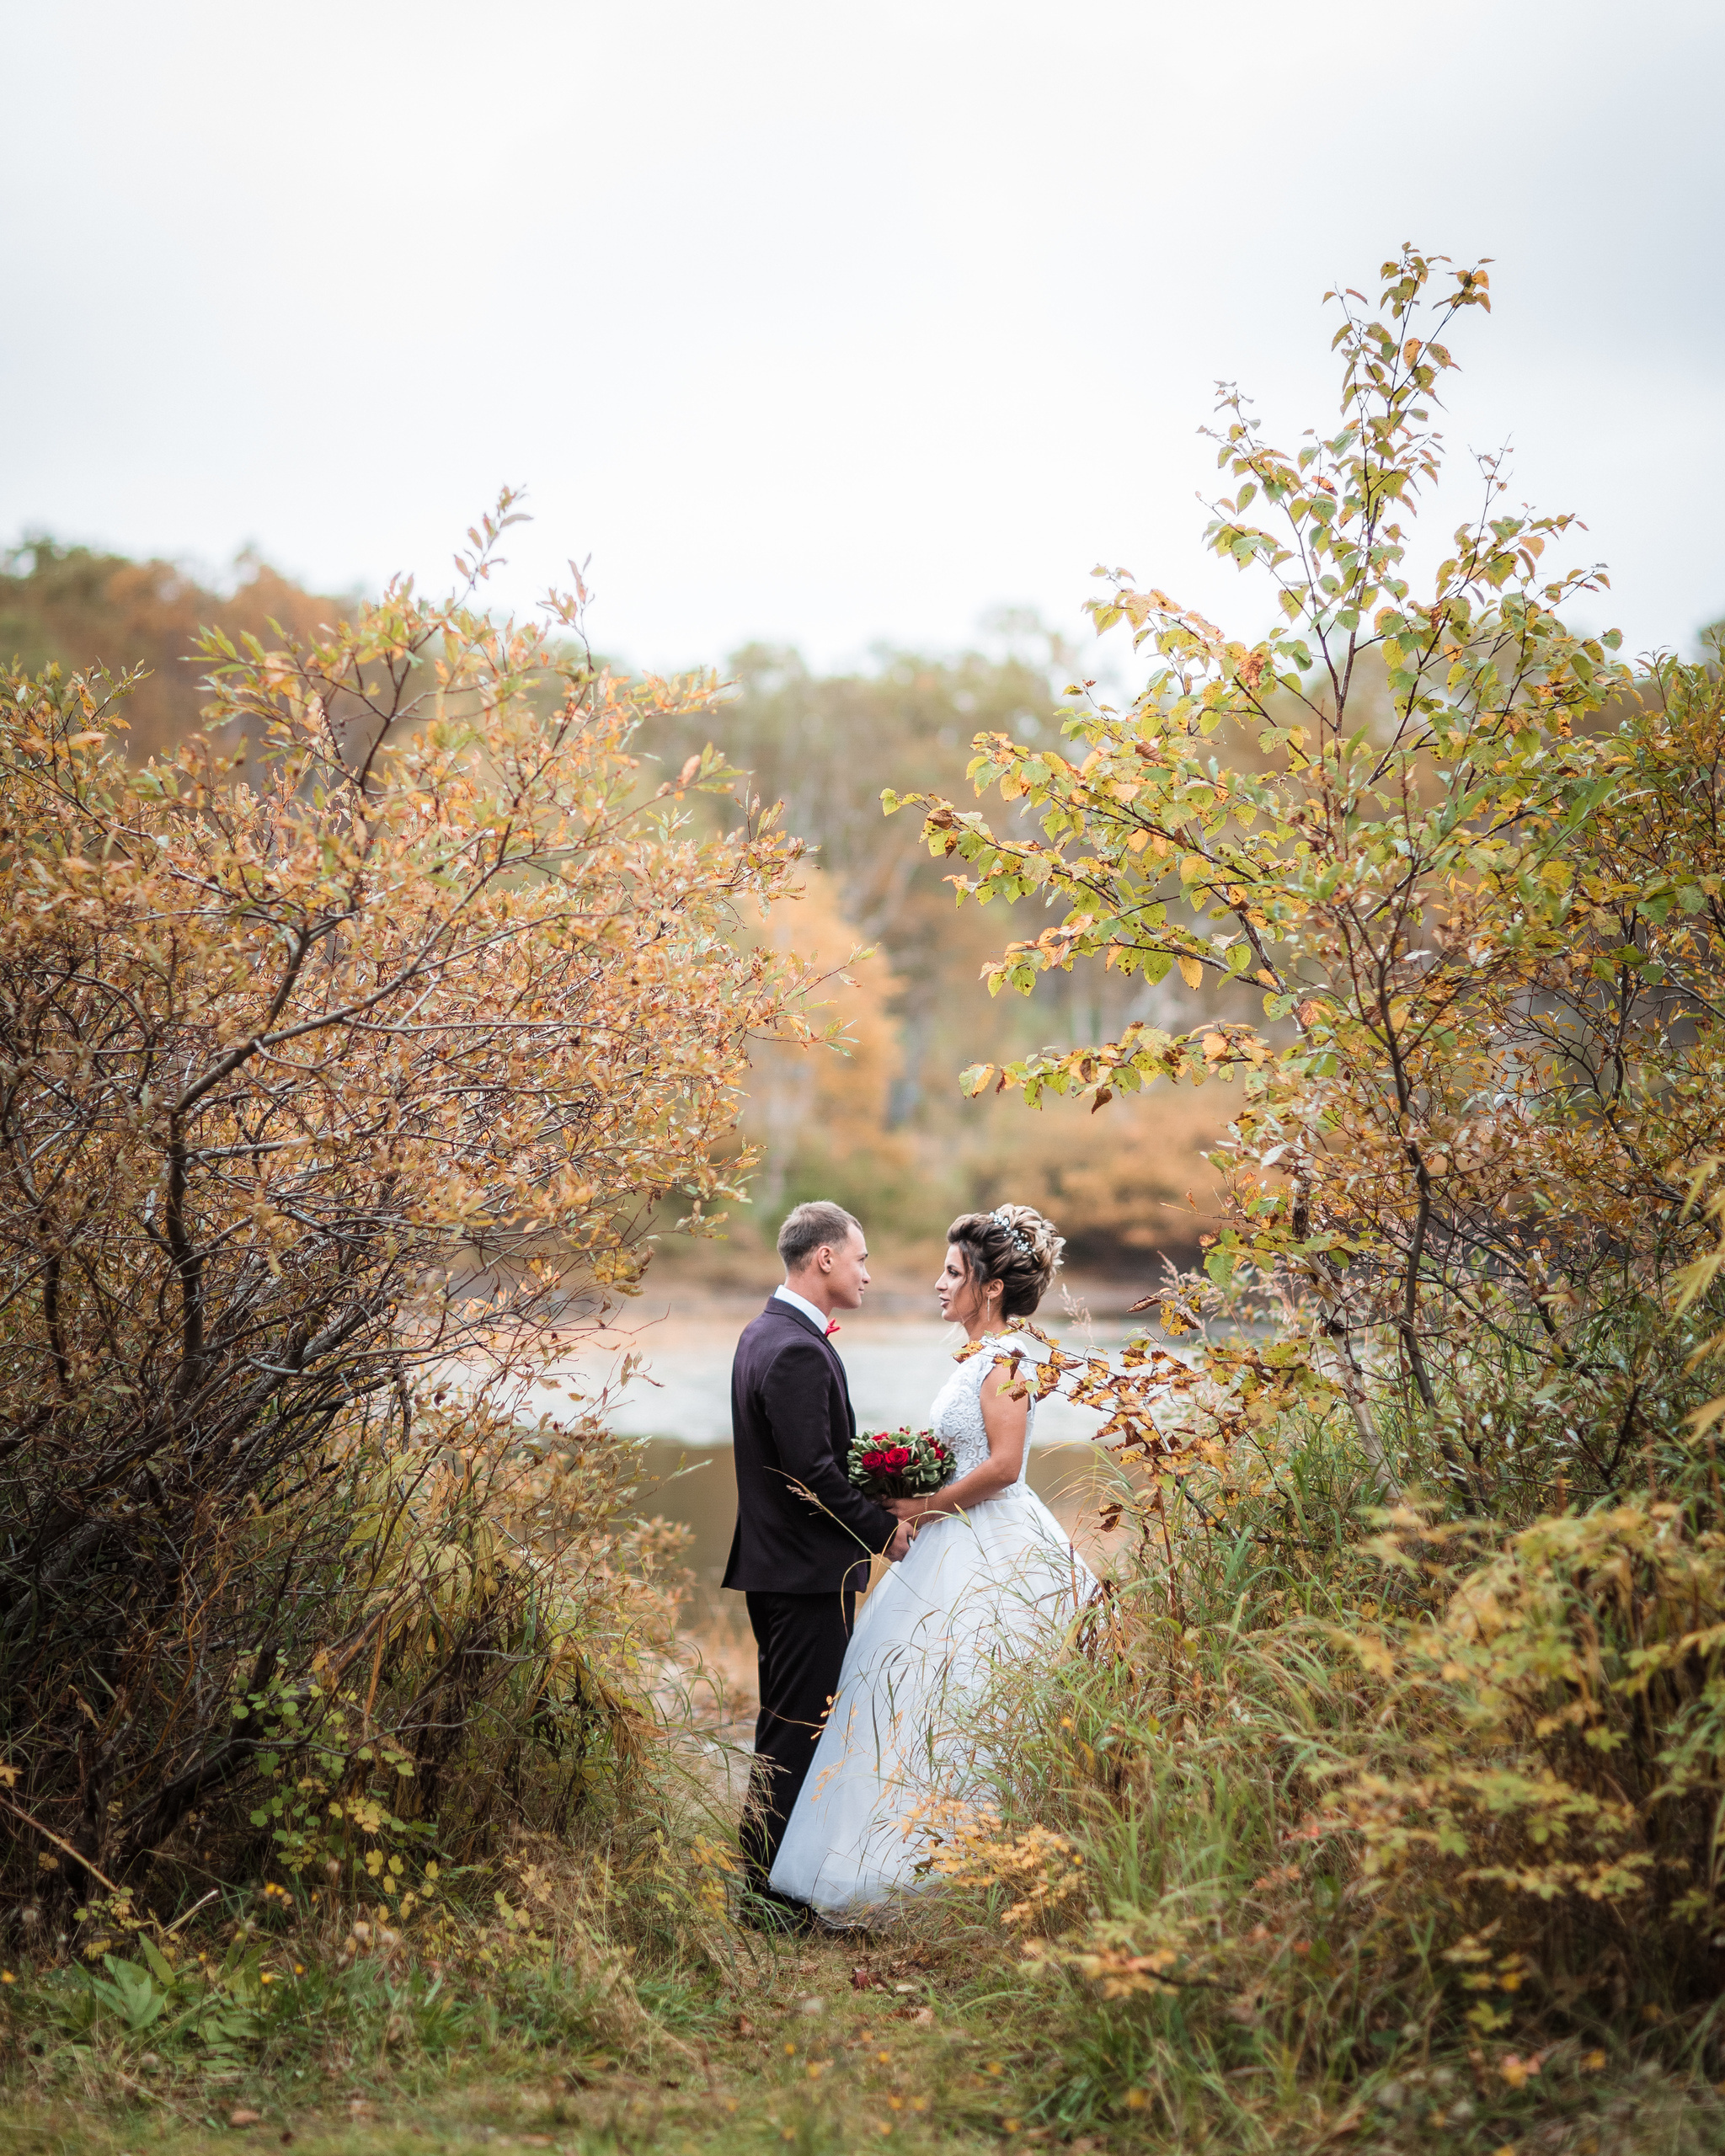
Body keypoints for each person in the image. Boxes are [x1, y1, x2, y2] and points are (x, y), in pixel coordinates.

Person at [768, 1203, 1093, 1923]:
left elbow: (1006, 1467)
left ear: (992, 1287)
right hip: (953, 1536)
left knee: (971, 1693)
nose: (939, 1285)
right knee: (907, 1691)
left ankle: (961, 1870)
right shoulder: (974, 1358)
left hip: (990, 1542)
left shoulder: (1007, 1360)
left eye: (953, 1273)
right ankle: (900, 1859)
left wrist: (921, 1507)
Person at [724, 1200, 911, 1928]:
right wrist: (882, 1532)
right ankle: (763, 1899)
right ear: (825, 1257)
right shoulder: (796, 1347)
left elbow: (810, 1464)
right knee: (797, 1732)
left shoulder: (762, 1333)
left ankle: (767, 1885)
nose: (868, 1272)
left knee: (788, 1727)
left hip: (779, 1569)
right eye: (860, 1258)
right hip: (803, 1576)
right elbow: (812, 1474)